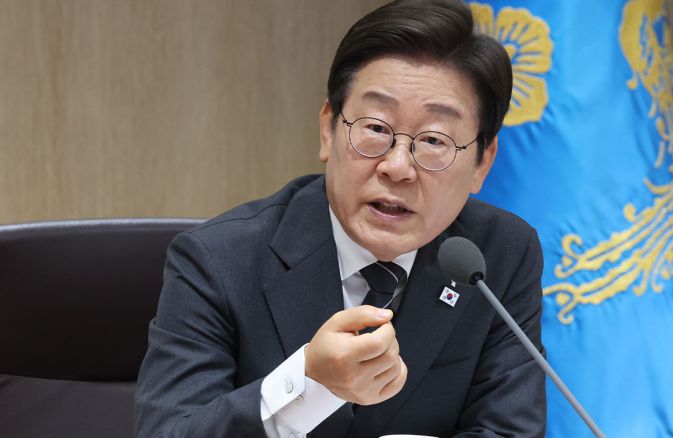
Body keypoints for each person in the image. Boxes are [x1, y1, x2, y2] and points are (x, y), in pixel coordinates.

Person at [135, 0, 546, 436]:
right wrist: (310, 384)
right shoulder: (219, 260)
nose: (397, 167)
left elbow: (509, 429)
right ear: (328, 130)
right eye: (376, 129)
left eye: (434, 140)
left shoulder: (499, 255)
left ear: (483, 162)